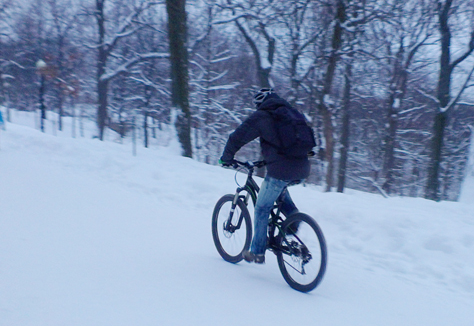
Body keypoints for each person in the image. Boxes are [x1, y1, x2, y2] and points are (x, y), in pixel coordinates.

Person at [219, 88, 311, 264]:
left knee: (262, 208)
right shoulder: (290, 113)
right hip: (303, 168)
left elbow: (238, 137)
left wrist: (226, 158)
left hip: (281, 170)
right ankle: (292, 221)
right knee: (280, 191)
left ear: (260, 103)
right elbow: (283, 142)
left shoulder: (263, 116)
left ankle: (257, 252)